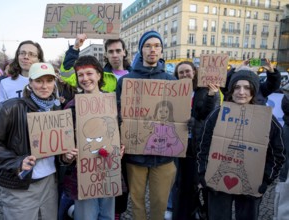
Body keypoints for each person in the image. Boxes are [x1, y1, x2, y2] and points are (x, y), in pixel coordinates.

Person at [0, 62, 70, 220]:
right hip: (20, 186)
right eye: (39, 81)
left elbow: (57, 149)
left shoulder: (57, 110)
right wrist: (17, 162)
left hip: (49, 183)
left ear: (54, 83)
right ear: (30, 83)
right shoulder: (10, 108)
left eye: (49, 81)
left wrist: (65, 156)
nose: (44, 86)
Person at [197, 69, 286, 220]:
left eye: (247, 87)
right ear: (231, 90)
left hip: (252, 181)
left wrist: (265, 179)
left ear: (254, 90)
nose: (241, 92)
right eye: (237, 87)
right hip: (218, 179)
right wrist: (203, 171)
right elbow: (203, 145)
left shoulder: (267, 120)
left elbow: (278, 152)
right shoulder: (217, 114)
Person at [116, 30, 177, 220]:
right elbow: (118, 114)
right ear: (141, 50)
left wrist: (185, 123)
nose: (153, 49)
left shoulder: (172, 81)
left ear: (161, 51)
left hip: (164, 157)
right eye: (148, 46)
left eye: (157, 46)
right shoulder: (126, 81)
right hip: (136, 156)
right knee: (137, 202)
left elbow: (178, 116)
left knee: (160, 202)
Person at [63, 55, 125, 220]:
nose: (85, 78)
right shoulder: (71, 107)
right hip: (83, 174)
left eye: (89, 73)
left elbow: (120, 130)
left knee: (107, 216)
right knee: (87, 217)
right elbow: (65, 145)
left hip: (109, 169)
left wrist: (121, 146)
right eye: (80, 75)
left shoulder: (113, 103)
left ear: (99, 75)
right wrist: (68, 155)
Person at [170, 61, 221, 220]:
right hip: (178, 144)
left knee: (195, 183)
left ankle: (198, 213)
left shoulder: (206, 91)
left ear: (194, 72)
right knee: (180, 183)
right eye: (181, 73)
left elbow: (209, 115)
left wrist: (212, 96)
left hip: (196, 145)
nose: (184, 75)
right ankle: (181, 213)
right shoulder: (174, 92)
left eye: (187, 71)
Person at [60, 34, 131, 92]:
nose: (115, 55)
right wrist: (75, 47)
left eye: (118, 51)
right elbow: (67, 75)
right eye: (111, 51)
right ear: (106, 54)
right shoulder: (98, 77)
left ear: (124, 52)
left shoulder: (137, 75)